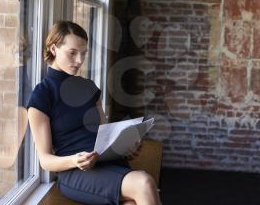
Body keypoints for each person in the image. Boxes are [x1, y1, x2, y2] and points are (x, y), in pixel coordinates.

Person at [26, 20, 162, 205]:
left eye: (83, 53)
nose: (79, 60)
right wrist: (75, 161)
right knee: (144, 183)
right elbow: (45, 160)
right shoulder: (42, 95)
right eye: (72, 53)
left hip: (108, 163)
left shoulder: (89, 87)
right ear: (53, 49)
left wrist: (126, 147)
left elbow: (105, 135)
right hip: (76, 172)